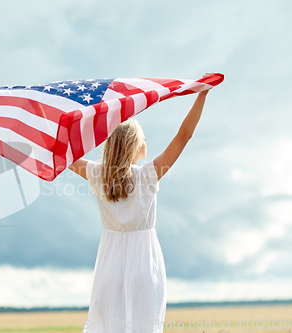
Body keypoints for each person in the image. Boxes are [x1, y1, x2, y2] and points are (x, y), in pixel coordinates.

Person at [68, 79, 211, 333]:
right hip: (145, 264)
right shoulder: (149, 175)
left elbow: (64, 154)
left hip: (108, 264)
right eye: (143, 138)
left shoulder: (98, 175)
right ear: (135, 146)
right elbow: (184, 135)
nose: (146, 141)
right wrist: (203, 93)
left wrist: (44, 127)